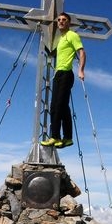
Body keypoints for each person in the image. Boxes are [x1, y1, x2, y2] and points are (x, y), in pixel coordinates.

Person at [41, 12, 85, 149]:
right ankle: (68, 138)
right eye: (59, 20)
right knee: (62, 106)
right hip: (58, 74)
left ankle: (55, 137)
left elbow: (82, 53)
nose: (60, 22)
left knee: (57, 107)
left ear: (69, 22)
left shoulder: (72, 35)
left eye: (64, 20)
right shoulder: (61, 38)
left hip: (66, 74)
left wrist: (81, 70)